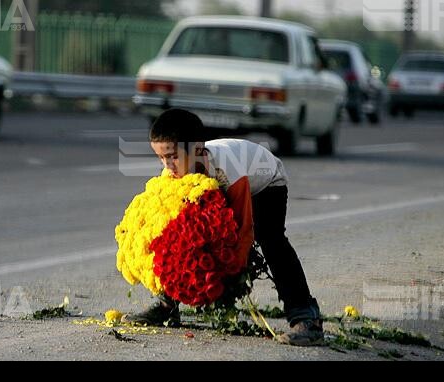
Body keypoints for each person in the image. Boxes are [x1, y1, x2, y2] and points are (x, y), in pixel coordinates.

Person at [121, 109, 323, 346]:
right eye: (161, 158)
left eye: (173, 157)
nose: (168, 165)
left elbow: (245, 230)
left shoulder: (228, 169)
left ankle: (306, 318)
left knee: (272, 240)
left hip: (266, 184)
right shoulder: (172, 173)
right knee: (177, 238)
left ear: (197, 149)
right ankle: (167, 305)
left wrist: (228, 275)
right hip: (222, 183)